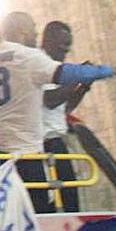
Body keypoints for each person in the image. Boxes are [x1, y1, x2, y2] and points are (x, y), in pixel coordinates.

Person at [0, 10, 116, 213]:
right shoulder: (29, 57)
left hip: (2, 152)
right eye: (33, 30)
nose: (35, 35)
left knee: (20, 213)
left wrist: (84, 84)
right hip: (29, 151)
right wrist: (109, 71)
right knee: (42, 212)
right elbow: (67, 75)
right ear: (22, 30)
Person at [41, 19, 91, 213]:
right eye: (62, 47)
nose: (65, 53)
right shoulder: (41, 65)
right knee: (52, 205)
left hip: (57, 141)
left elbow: (63, 108)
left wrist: (84, 87)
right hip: (42, 145)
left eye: (68, 48)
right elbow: (50, 100)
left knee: (71, 201)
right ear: (48, 41)